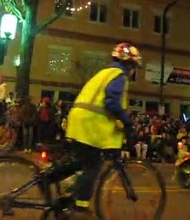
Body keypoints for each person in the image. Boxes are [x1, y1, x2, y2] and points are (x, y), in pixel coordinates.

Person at [64, 42, 142, 219]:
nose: (134, 71)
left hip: (79, 120)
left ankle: (54, 182)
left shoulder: (104, 73)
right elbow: (111, 103)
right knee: (93, 166)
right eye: (134, 66)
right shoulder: (119, 76)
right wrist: (127, 122)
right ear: (128, 64)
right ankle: (79, 208)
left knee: (80, 162)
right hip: (91, 124)